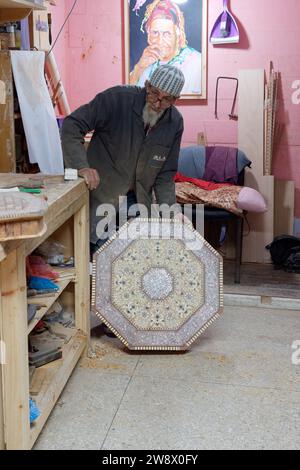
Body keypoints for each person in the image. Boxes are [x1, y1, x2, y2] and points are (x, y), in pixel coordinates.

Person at [61, 64, 185, 253]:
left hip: (138, 200)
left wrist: (172, 212)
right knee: (105, 256)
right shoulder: (116, 100)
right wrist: (81, 166)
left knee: (141, 255)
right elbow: (72, 125)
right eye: (154, 94)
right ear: (147, 85)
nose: (157, 103)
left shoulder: (174, 123)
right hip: (102, 194)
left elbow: (165, 175)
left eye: (166, 99)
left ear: (175, 100)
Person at [129, 0, 202, 95]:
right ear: (148, 33)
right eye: (155, 33)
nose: (160, 41)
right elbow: (128, 96)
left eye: (167, 34)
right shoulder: (145, 63)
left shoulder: (196, 62)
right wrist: (139, 68)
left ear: (178, 33)